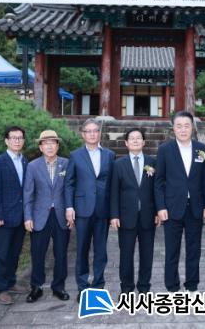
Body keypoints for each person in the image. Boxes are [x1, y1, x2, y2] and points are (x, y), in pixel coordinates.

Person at [154, 111, 205, 292]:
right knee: (172, 250)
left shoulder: (202, 149)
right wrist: (160, 207)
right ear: (173, 128)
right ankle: (172, 287)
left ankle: (192, 286)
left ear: (192, 127)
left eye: (187, 125)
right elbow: (159, 181)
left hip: (195, 207)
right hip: (172, 208)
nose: (183, 129)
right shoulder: (165, 149)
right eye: (179, 126)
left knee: (194, 250)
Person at [65, 118, 116, 301]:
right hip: (82, 209)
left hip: (103, 209)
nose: (93, 134)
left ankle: (98, 285)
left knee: (101, 251)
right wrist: (69, 206)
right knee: (82, 249)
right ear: (83, 134)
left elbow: (113, 185)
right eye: (89, 131)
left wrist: (114, 212)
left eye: (96, 130)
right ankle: (82, 287)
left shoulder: (109, 155)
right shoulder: (75, 155)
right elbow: (69, 183)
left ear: (99, 133)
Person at [23, 130, 71, 303]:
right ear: (40, 147)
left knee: (61, 253)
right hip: (39, 216)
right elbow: (28, 193)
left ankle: (59, 287)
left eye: (53, 143)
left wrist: (71, 211)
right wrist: (28, 217)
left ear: (58, 146)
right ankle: (36, 287)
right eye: (46, 143)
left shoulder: (66, 164)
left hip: (61, 215)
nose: (50, 146)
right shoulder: (33, 166)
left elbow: (70, 189)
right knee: (38, 253)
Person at [110, 128, 159, 295]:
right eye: (132, 138)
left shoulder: (152, 162)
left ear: (144, 142)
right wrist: (114, 215)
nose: (136, 141)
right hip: (126, 217)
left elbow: (157, 189)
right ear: (126, 143)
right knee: (126, 254)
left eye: (139, 138)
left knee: (147, 254)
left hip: (148, 216)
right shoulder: (118, 164)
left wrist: (158, 211)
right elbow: (114, 192)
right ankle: (127, 287)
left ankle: (144, 287)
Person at [0, 126, 29, 305]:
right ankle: (2, 288)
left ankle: (11, 281)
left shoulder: (25, 161)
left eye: (20, 138)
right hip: (4, 217)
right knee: (2, 254)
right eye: (13, 138)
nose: (17, 141)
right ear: (6, 141)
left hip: (21, 216)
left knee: (15, 252)